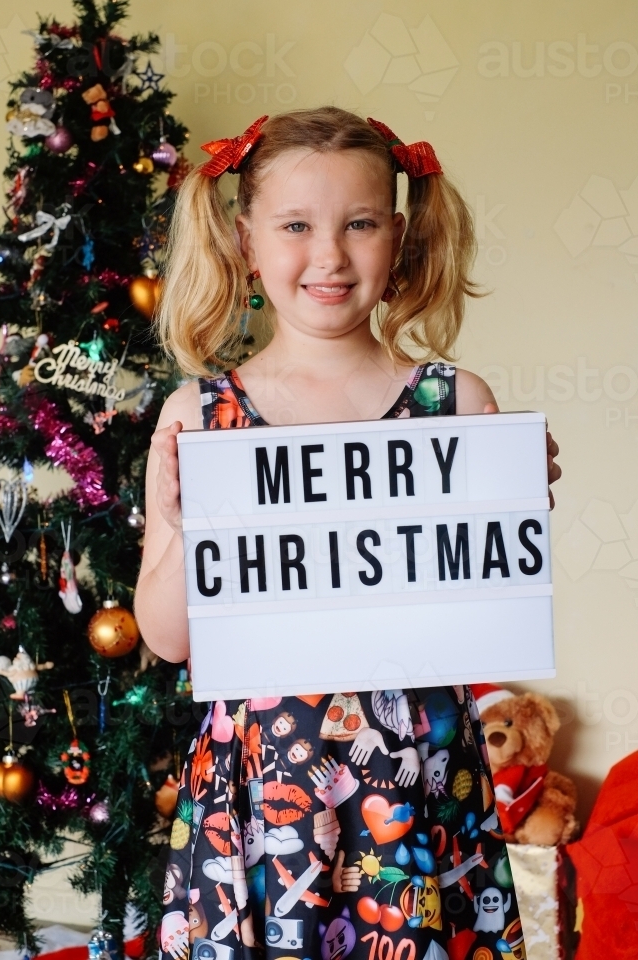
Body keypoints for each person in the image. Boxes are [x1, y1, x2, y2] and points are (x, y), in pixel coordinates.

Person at [135, 108, 561, 960]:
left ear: (397, 238)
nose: (328, 256)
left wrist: (512, 508)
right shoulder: (199, 419)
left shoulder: (455, 403)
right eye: (296, 225)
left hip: (419, 791)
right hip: (264, 794)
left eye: (359, 224)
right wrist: (187, 528)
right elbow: (167, 638)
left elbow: (481, 600)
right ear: (246, 238)